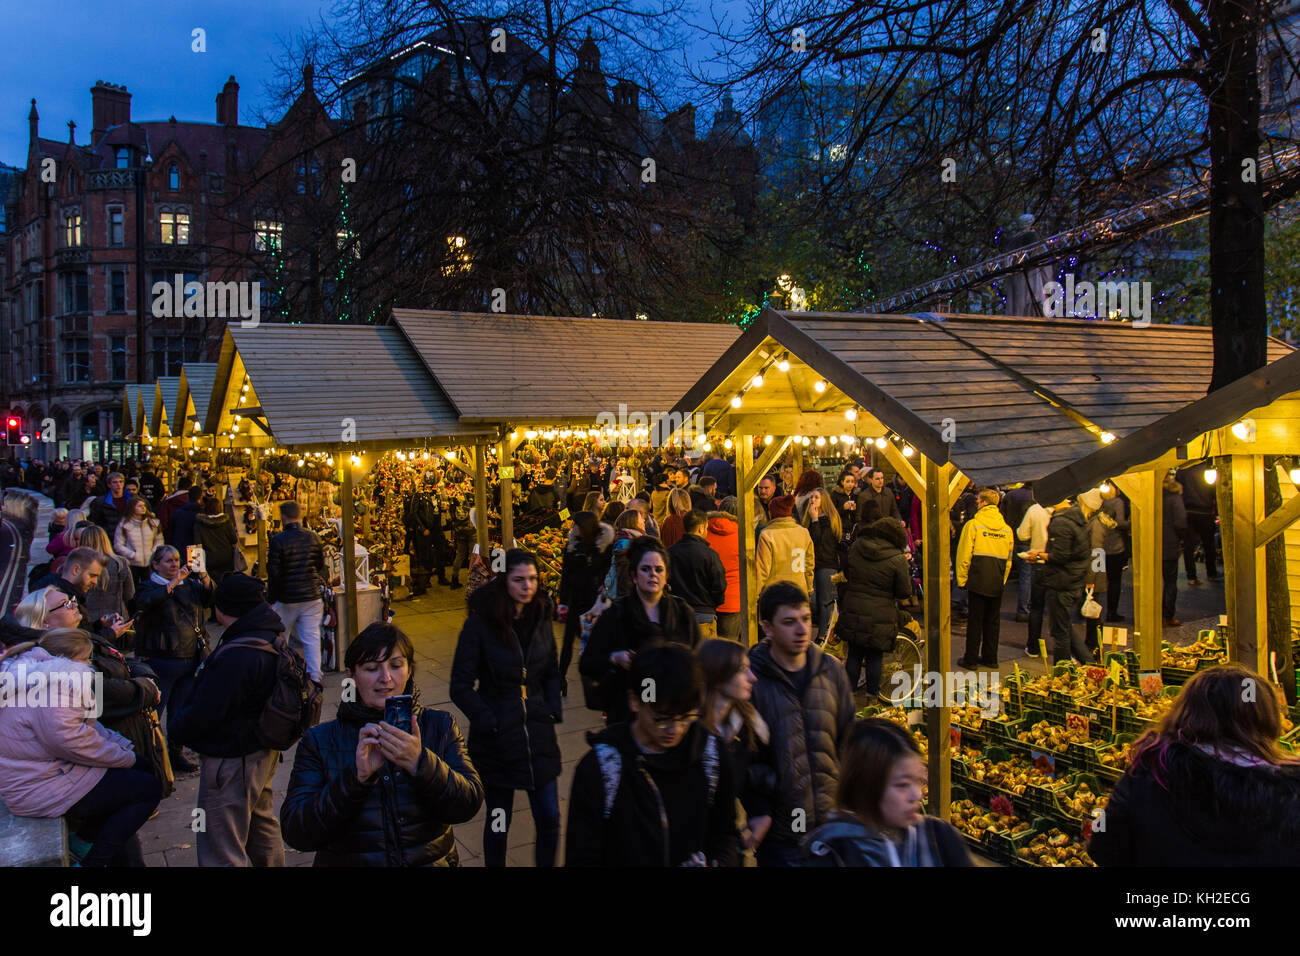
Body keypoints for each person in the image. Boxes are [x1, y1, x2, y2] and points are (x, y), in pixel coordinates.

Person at [282, 622, 484, 866]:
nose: (386, 678)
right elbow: (297, 832)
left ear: (409, 670)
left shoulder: (439, 725)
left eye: (396, 665)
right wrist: (355, 779)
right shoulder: (320, 741)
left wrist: (421, 763)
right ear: (351, 676)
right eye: (371, 668)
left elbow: (468, 803)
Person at [1089, 664, 1300, 866]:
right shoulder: (1288, 796)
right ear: (1267, 719)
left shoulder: (1146, 773)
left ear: (1186, 713)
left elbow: (1102, 847)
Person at [566, 642, 740, 866]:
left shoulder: (711, 755)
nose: (674, 729)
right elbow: (582, 856)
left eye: (685, 716)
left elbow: (726, 834)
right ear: (634, 701)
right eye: (661, 718)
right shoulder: (602, 769)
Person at [0, 629, 162, 867]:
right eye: (87, 659)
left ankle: (87, 841)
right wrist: (124, 758)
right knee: (148, 789)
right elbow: (71, 742)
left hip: (40, 774)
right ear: (69, 659)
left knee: (140, 774)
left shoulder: (35, 673)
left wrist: (122, 748)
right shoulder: (58, 684)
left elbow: (87, 728)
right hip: (38, 786)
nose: (89, 665)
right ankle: (92, 861)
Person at [450, 550, 562, 867]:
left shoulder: (540, 615)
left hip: (537, 734)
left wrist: (552, 706)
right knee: (499, 820)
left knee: (550, 816)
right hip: (498, 740)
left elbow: (550, 668)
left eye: (532, 579)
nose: (527, 586)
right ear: (504, 581)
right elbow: (460, 685)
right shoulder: (480, 624)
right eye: (519, 580)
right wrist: (490, 719)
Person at [170, 574, 289, 866]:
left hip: (232, 757)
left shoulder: (238, 655)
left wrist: (178, 728)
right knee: (261, 824)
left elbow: (206, 711)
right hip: (261, 752)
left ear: (225, 610)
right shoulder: (268, 634)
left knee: (220, 843)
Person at [747, 582, 855, 866]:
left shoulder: (831, 670)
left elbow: (849, 739)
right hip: (782, 836)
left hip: (833, 826)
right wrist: (771, 795)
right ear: (767, 627)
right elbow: (745, 759)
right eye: (789, 622)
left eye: (806, 619)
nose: (802, 630)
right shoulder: (750, 681)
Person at [803, 719, 974, 866]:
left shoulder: (941, 839)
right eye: (902, 785)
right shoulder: (830, 853)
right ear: (867, 787)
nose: (917, 795)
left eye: (919, 781)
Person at [581, 535, 701, 724]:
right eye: (645, 569)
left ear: (667, 576)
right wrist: (615, 658)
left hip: (673, 711)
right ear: (633, 575)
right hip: (628, 713)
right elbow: (587, 663)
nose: (653, 574)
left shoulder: (682, 613)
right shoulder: (616, 614)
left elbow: (697, 658)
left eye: (658, 569)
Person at [135, 544, 214, 774]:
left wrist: (204, 575)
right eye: (168, 561)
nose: (173, 564)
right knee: (155, 711)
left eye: (176, 559)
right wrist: (172, 583)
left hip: (190, 656)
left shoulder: (189, 584)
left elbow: (210, 599)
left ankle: (175, 752)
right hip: (163, 659)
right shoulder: (148, 587)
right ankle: (149, 755)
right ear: (155, 565)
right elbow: (146, 602)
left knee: (180, 710)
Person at [698, 637, 774, 855]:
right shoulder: (685, 731)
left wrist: (761, 812)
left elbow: (747, 777)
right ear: (718, 675)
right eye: (743, 670)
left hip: (723, 844)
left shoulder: (744, 728)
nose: (753, 678)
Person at [838, 517, 912, 695]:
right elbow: (904, 591)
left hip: (854, 606)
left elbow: (846, 571)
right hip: (881, 612)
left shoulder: (857, 546)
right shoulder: (897, 558)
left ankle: (849, 695)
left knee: (854, 654)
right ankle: (872, 696)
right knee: (875, 657)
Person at [1030, 493, 1096, 664]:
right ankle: (1090, 664)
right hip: (1073, 580)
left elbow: (1060, 555)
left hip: (1061, 582)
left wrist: (1039, 555)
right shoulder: (1077, 518)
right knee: (1064, 626)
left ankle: (1062, 672)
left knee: (1060, 633)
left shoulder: (1061, 522)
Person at [267, 500, 326, 683]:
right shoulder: (313, 537)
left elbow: (274, 573)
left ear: (283, 517)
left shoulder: (278, 540)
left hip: (288, 597)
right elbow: (319, 565)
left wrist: (272, 599)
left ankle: (280, 671)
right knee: (311, 637)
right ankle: (315, 676)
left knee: (279, 636)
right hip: (311, 595)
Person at [954, 489, 1014, 669]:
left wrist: (962, 579)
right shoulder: (1007, 530)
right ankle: (991, 658)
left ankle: (971, 659)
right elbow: (1009, 560)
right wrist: (1002, 579)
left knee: (975, 620)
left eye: (978, 501)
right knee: (992, 621)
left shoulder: (973, 526)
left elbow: (964, 555)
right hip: (996, 579)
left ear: (983, 503)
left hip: (978, 578)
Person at [557, 510, 614, 687]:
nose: (572, 528)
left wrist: (603, 584)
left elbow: (609, 569)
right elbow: (566, 576)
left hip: (594, 602)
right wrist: (563, 602)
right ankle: (560, 679)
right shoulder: (572, 547)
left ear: (585, 528)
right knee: (567, 643)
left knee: (594, 641)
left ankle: (599, 677)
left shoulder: (603, 546)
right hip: (576, 598)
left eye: (576, 525)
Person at [668, 509, 727, 638]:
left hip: (678, 615)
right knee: (705, 656)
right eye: (706, 528)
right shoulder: (709, 555)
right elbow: (719, 584)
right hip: (704, 616)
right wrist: (714, 603)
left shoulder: (671, 552)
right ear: (701, 528)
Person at [71, 525, 135, 625]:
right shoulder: (120, 564)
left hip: (88, 620)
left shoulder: (78, 566)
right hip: (117, 618)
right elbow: (129, 594)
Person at [802, 488, 842, 640]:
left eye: (816, 497)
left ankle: (822, 635)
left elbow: (820, 542)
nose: (813, 500)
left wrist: (815, 520)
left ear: (824, 500)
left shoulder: (829, 519)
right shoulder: (809, 518)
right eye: (812, 497)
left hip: (826, 564)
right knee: (813, 601)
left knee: (824, 601)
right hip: (813, 564)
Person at [756, 495, 815, 597]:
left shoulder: (767, 535)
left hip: (775, 594)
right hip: (799, 591)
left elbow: (762, 571)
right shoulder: (804, 532)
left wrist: (755, 595)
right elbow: (809, 565)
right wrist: (809, 588)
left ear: (772, 513)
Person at [1017, 496, 1055, 656]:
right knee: (1058, 609)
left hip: (1038, 562)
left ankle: (1033, 646)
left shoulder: (1034, 510)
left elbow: (1022, 535)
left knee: (1036, 607)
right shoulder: (1064, 511)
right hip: (1057, 565)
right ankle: (1063, 650)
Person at [1080, 488, 1116, 654]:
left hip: (1094, 575)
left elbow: (1097, 552)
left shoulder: (1095, 525)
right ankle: (1093, 645)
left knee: (1094, 614)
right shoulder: (1096, 522)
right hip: (1096, 574)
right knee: (1094, 613)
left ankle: (1093, 646)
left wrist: (1091, 578)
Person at [706, 497, 742, 639]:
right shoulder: (743, 535)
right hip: (733, 599)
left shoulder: (703, 531)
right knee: (729, 648)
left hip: (707, 599)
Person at [1176, 464, 1219, 584]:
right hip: (1205, 510)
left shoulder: (1182, 470)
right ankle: (1211, 573)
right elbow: (1214, 490)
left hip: (1188, 511)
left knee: (1188, 547)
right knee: (1209, 544)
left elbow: (1178, 491)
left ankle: (1191, 576)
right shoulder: (1208, 468)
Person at [999, 482, 1035, 622]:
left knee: (1003, 572)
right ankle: (1023, 611)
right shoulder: (1036, 497)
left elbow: (1002, 516)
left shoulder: (1011, 495)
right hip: (1027, 542)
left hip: (1009, 538)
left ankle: (995, 604)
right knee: (1025, 577)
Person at [114, 497, 163, 587]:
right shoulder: (124, 524)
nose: (143, 508)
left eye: (144, 505)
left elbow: (159, 540)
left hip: (150, 563)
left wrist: (153, 553)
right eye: (139, 506)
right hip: (132, 563)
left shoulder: (152, 523)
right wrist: (132, 555)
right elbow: (118, 545)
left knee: (150, 587)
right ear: (132, 508)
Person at [1161, 473, 1189, 627]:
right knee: (1170, 581)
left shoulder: (1151, 495)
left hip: (1151, 544)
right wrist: (1182, 538)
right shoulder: (1174, 498)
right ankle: (1167, 615)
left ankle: (1152, 613)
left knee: (1153, 581)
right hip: (1170, 544)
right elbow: (1181, 522)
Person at [1101, 485, 1130, 622]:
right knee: (1114, 581)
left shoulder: (1099, 502)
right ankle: (1112, 612)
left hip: (1099, 549)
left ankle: (1093, 613)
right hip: (1115, 548)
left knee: (1098, 580)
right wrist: (1130, 523)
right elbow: (1120, 523)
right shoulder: (1117, 502)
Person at [194, 494, 239, 583]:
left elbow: (197, 544)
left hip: (209, 559)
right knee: (226, 582)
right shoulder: (226, 522)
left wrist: (198, 566)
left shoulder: (199, 524)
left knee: (211, 583)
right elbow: (234, 539)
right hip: (226, 558)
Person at [88, 471, 132, 541]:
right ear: (109, 485)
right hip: (110, 537)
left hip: (130, 537)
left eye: (121, 482)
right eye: (115, 482)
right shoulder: (101, 502)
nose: (118, 484)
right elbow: (94, 521)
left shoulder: (132, 500)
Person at [166, 485, 204, 554]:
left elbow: (171, 532)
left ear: (188, 497)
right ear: (201, 497)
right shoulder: (202, 515)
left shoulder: (177, 513)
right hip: (196, 551)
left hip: (179, 549)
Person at [830, 470, 859, 539]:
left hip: (852, 529)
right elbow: (831, 513)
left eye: (852, 482)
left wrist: (855, 510)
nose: (850, 484)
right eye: (847, 481)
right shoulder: (836, 495)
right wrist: (843, 508)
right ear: (842, 482)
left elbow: (855, 515)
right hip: (840, 528)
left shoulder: (855, 495)